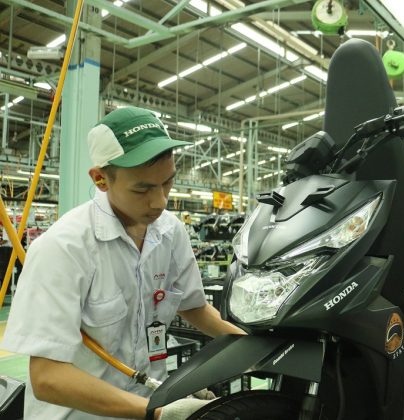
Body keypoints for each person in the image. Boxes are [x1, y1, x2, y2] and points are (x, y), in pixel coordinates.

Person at [1, 106, 246, 419]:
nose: (160, 201)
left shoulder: (170, 232)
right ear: (100, 179)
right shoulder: (63, 249)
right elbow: (48, 378)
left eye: (167, 183)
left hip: (149, 400)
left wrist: (251, 348)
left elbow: (193, 307)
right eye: (142, 188)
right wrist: (161, 413)